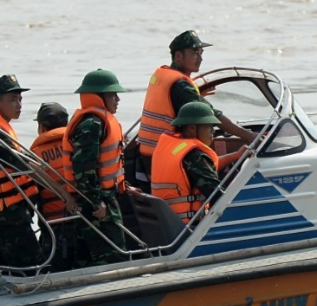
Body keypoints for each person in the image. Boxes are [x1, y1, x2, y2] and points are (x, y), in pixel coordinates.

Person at [133, 29, 254, 191]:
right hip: (166, 157)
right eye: (195, 53)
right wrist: (248, 135)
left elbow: (172, 102)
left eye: (201, 52)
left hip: (150, 156)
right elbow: (212, 115)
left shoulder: (163, 75)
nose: (200, 58)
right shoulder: (181, 85)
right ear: (178, 56)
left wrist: (196, 94)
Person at [0, 74, 42, 268]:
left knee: (6, 265)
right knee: (33, 265)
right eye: (12, 100)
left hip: (5, 212)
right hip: (6, 214)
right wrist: (64, 193)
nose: (19, 104)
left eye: (20, 99)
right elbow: (24, 165)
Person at [65, 69, 129, 265]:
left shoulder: (99, 121)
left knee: (93, 255)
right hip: (96, 203)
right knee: (112, 257)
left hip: (102, 196)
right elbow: (83, 167)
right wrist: (96, 201)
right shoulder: (92, 124)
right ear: (98, 97)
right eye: (112, 95)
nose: (117, 99)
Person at [149, 101, 224, 224]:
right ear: (192, 128)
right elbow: (217, 194)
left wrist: (236, 156)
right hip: (189, 226)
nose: (213, 131)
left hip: (168, 222)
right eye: (209, 126)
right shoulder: (194, 157)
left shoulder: (172, 148)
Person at [29, 101, 75, 268]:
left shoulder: (33, 156)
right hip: (85, 224)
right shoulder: (79, 145)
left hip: (54, 229)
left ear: (42, 127)